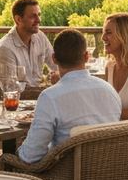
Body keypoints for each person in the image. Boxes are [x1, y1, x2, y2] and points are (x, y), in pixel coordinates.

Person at [17, 29, 122, 164]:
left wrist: (18, 151)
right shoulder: (109, 91)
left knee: (10, 160)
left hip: (65, 179)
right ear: (86, 56)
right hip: (110, 174)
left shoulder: (50, 97)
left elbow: (30, 156)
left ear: (54, 58)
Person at [0, 0, 56, 86]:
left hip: (37, 95)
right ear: (18, 19)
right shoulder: (5, 48)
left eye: (39, 15)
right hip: (16, 98)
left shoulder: (40, 37)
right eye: (33, 16)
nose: (39, 20)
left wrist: (59, 74)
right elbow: (10, 89)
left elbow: (56, 64)